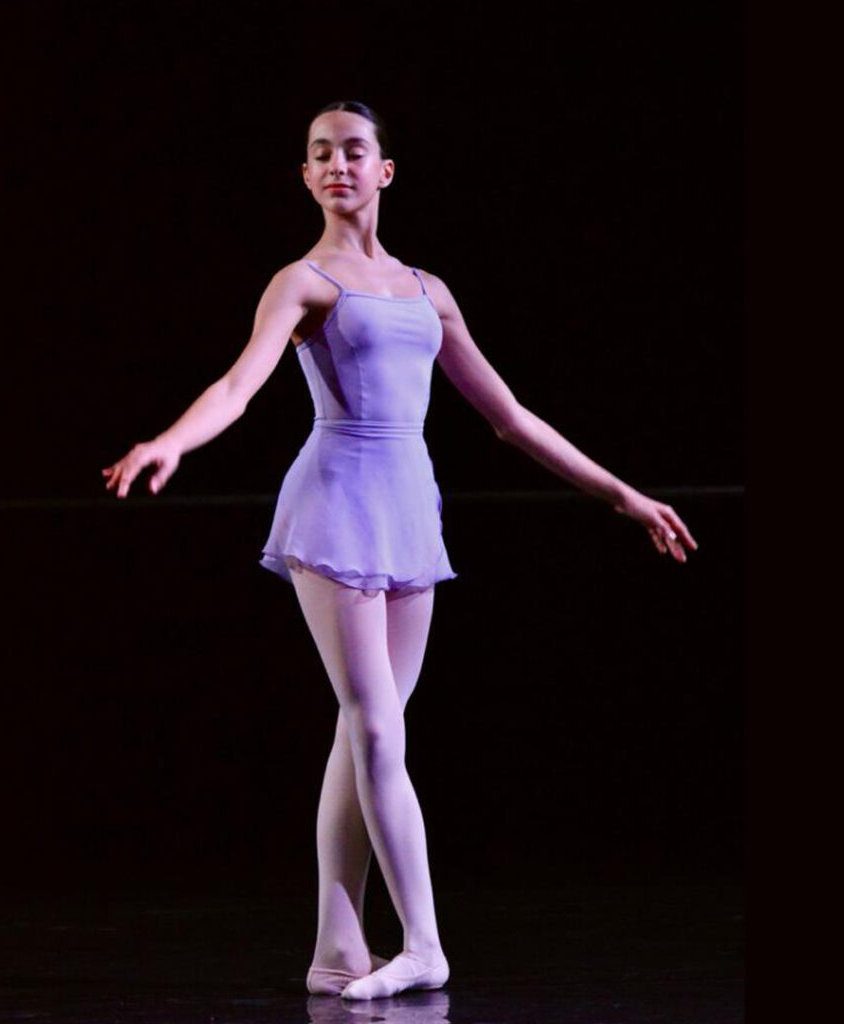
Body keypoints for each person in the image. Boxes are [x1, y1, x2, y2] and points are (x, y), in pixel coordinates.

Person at [101, 99, 699, 1001]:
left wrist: (623, 494)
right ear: (305, 177)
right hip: (335, 503)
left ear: (384, 171)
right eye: (319, 154)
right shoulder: (303, 281)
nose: (336, 164)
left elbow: (509, 416)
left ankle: (336, 949)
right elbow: (238, 383)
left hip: (409, 508)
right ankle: (423, 943)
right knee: (376, 725)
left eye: (353, 151)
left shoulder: (429, 291)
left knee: (368, 733)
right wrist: (171, 441)